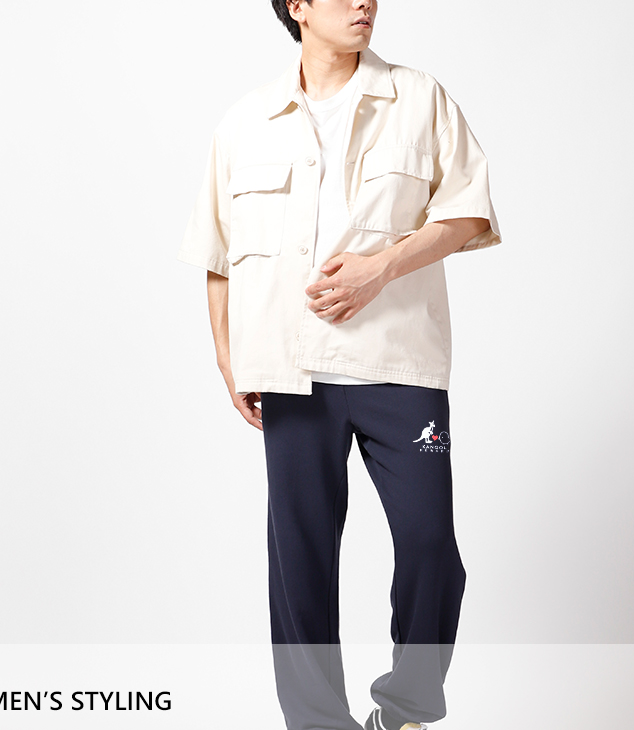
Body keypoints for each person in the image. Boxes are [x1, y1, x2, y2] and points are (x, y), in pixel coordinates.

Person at [178, 1, 502, 728]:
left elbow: (469, 212)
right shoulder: (246, 121)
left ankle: (406, 707)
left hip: (400, 365)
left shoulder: (418, 97)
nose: (365, 2)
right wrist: (229, 359)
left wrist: (381, 268)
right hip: (289, 372)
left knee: (429, 545)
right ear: (297, 6)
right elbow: (217, 255)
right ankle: (318, 722)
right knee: (300, 562)